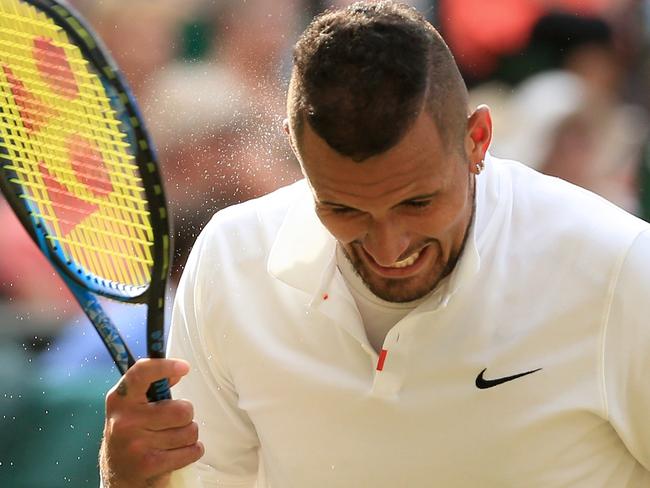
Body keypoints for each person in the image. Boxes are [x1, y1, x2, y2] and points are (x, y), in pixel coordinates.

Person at [99, 2, 650, 487]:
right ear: (298, 149)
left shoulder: (618, 266)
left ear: (476, 139)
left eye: (417, 203)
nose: (388, 247)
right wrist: (129, 482)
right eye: (343, 209)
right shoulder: (230, 260)